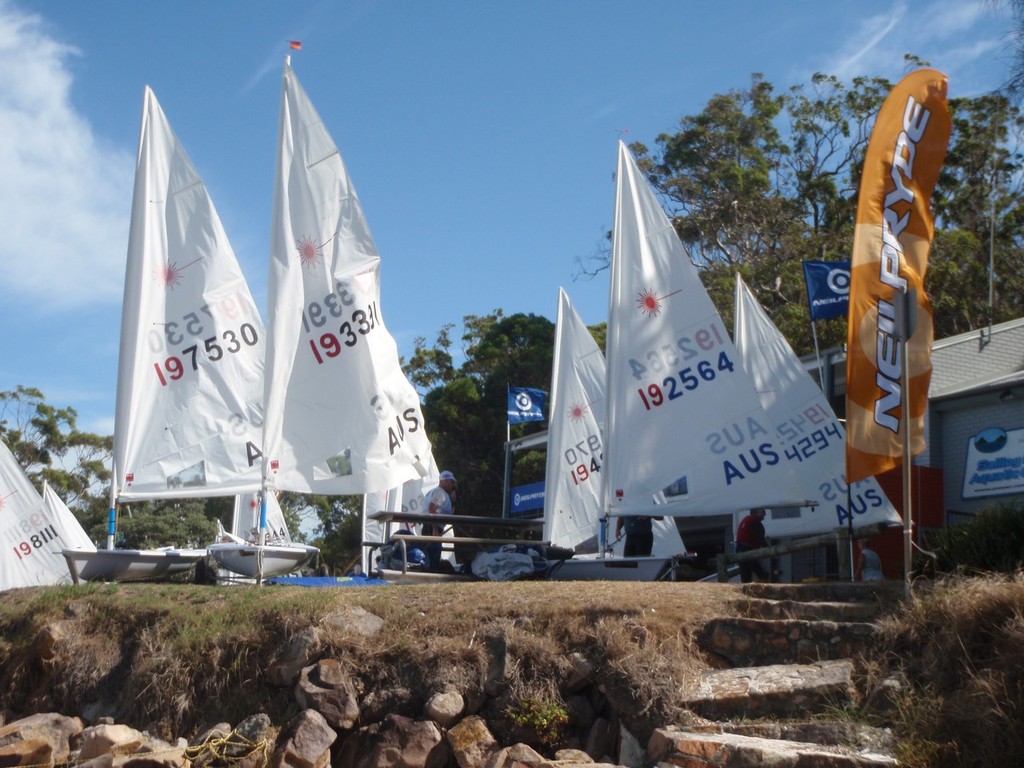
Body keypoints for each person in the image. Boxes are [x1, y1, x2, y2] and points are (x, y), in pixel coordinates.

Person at [422, 470, 457, 571]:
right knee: (433, 553)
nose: (453, 485)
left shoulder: (435, 492)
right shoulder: (440, 493)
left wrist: (453, 502)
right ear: (445, 481)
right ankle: (432, 574)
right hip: (433, 526)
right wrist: (435, 528)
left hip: (429, 525)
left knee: (431, 553)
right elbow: (431, 509)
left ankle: (431, 571)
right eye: (451, 482)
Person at [735, 507, 769, 583]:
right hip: (748, 550)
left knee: (745, 574)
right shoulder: (755, 521)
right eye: (763, 513)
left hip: (740, 549)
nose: (764, 515)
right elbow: (760, 538)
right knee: (762, 573)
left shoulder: (746, 520)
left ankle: (747, 590)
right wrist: (768, 550)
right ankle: (762, 588)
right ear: (757, 513)